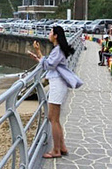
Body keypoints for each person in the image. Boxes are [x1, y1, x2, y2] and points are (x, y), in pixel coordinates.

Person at [27, 25, 77, 159]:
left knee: (53, 119)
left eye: (50, 32)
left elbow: (49, 65)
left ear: (55, 36)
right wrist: (38, 57)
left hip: (57, 85)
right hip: (58, 84)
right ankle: (62, 147)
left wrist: (38, 52)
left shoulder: (58, 50)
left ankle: (56, 150)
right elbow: (49, 63)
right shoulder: (58, 50)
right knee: (55, 119)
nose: (49, 34)